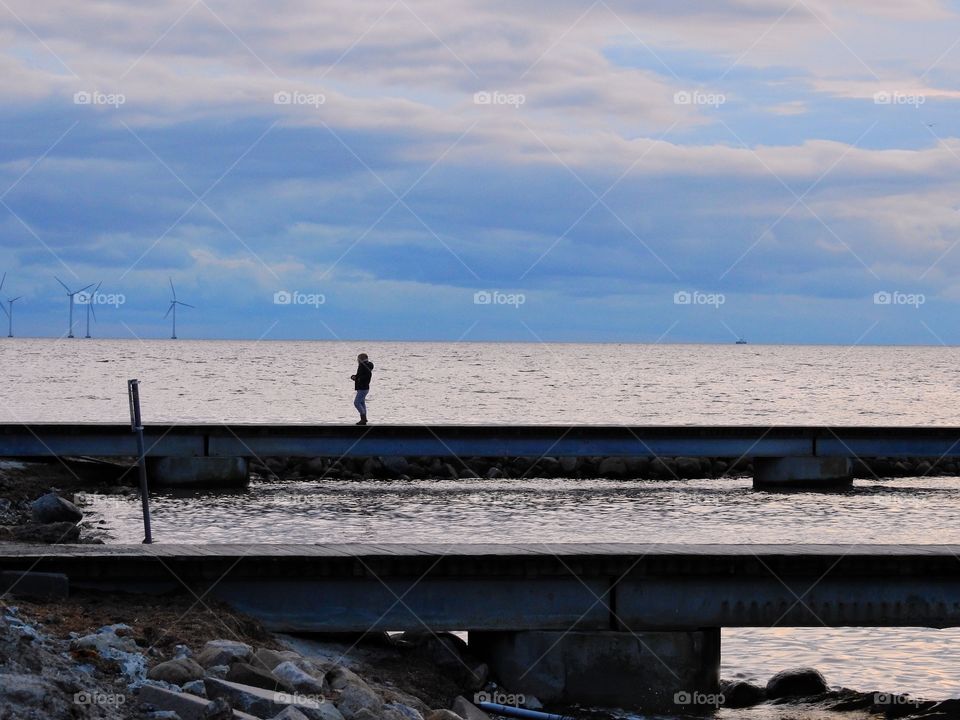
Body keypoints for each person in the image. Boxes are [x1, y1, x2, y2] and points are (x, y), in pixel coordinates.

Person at [350, 353, 374, 425]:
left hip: (362, 388)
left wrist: (357, 378)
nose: (357, 360)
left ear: (361, 359)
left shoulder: (362, 365)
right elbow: (363, 375)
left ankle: (363, 418)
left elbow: (363, 377)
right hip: (365, 387)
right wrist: (355, 377)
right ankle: (364, 419)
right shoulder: (367, 366)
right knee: (362, 403)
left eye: (358, 358)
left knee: (356, 403)